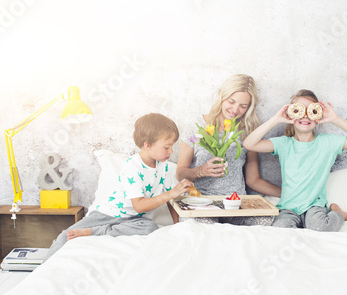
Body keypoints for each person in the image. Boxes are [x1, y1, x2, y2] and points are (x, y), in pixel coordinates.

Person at [44, 113, 193, 260]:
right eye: (167, 147)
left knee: (150, 228)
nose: (171, 151)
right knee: (66, 235)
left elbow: (169, 200)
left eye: (172, 146)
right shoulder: (133, 166)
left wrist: (176, 225)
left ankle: (99, 231)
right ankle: (88, 235)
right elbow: (139, 206)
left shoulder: (163, 166)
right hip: (108, 215)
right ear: (148, 145)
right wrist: (172, 193)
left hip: (135, 220)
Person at [243, 89, 347, 231]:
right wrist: (276, 119)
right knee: (280, 230)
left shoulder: (327, 143)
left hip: (314, 205)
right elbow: (249, 144)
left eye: (311, 111)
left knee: (322, 227)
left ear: (318, 117)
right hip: (288, 207)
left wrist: (335, 119)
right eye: (299, 111)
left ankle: (338, 213)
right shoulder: (284, 144)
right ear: (291, 114)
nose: (305, 116)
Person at [175, 74, 281, 225]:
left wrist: (287, 194)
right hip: (202, 202)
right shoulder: (197, 126)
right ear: (221, 97)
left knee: (265, 222)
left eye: (243, 106)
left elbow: (253, 180)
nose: (235, 110)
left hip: (236, 203)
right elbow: (180, 173)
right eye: (231, 102)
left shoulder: (248, 132)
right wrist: (200, 171)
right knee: (199, 229)